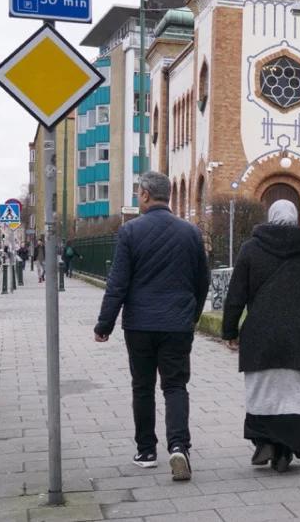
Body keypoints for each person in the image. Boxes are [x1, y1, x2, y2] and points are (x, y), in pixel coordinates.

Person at [93, 171, 210, 482]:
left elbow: (117, 284)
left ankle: (146, 450)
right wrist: (192, 315)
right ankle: (178, 447)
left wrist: (104, 324)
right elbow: (203, 281)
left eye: (138, 193)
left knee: (142, 386)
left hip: (140, 325)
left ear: (145, 195)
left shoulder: (130, 232)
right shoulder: (191, 233)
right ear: (167, 195)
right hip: (177, 323)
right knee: (175, 386)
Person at [221, 200, 300, 473]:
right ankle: (285, 449)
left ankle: (265, 442)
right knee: (297, 393)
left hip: (261, 334)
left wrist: (230, 330)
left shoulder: (250, 250)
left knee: (263, 391)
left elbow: (236, 295)